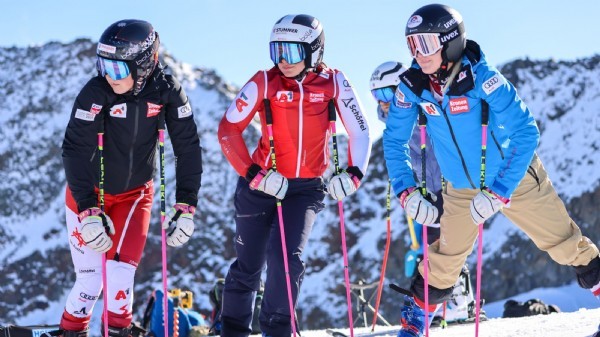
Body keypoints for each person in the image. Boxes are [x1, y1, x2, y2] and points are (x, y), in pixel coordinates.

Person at [382, 4, 600, 336]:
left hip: (512, 177)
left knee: (565, 244)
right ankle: (413, 327)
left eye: (425, 43)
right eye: (412, 45)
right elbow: (394, 140)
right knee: (443, 265)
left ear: (450, 41)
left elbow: (527, 132)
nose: (418, 54)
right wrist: (406, 191)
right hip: (459, 186)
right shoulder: (413, 86)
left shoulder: (484, 78)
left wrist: (499, 192)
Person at [217, 14, 372, 337]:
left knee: (287, 261)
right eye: (276, 52)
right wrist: (254, 174)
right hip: (259, 185)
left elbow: (360, 131)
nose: (282, 61)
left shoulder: (334, 82)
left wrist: (354, 174)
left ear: (314, 51)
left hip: (304, 190)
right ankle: (232, 330)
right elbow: (228, 130)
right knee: (249, 265)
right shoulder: (264, 80)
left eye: (291, 52)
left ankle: (278, 330)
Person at [61, 19, 203, 337]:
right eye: (104, 66)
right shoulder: (95, 93)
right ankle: (71, 330)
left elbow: (188, 147)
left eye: (118, 69)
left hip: (135, 196)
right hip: (87, 195)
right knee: (91, 280)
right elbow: (73, 150)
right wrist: (87, 210)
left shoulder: (167, 91)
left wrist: (186, 205)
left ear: (143, 66)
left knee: (121, 272)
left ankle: (120, 330)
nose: (109, 77)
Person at [370, 62, 481, 325]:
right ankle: (448, 301)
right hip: (424, 192)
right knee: (432, 245)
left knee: (448, 243)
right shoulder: (393, 124)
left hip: (448, 184)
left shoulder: (426, 110)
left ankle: (459, 302)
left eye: (388, 93)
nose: (384, 103)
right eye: (377, 96)